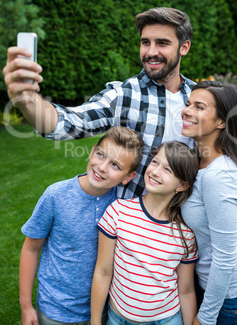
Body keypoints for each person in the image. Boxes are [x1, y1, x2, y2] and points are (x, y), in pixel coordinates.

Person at [3, 7, 237, 220]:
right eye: (145, 42)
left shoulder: (198, 98)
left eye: (162, 43)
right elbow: (68, 123)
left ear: (184, 47)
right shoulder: (124, 95)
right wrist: (27, 100)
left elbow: (224, 150)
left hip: (189, 228)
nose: (150, 52)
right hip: (132, 234)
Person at [19, 126, 144, 325]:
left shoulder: (122, 206)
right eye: (101, 155)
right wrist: (26, 307)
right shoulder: (55, 195)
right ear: (92, 150)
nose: (102, 167)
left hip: (102, 309)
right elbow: (30, 249)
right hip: (54, 311)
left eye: (115, 166)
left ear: (128, 177)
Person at [180, 81, 237, 325]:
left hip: (235, 300)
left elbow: (225, 257)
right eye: (188, 104)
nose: (187, 110)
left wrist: (204, 318)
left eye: (199, 107)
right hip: (221, 291)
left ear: (222, 122)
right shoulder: (204, 159)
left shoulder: (219, 175)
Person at [91, 141, 199, 325]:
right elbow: (103, 271)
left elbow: (186, 289)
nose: (155, 172)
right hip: (118, 319)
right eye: (155, 162)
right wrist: (95, 322)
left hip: (167, 320)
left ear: (181, 186)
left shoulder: (185, 235)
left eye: (168, 170)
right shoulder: (118, 212)